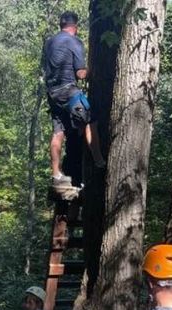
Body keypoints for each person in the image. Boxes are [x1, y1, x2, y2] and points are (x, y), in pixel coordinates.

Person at [41, 11, 105, 186]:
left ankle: (56, 173)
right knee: (90, 120)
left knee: (58, 132)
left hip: (52, 93)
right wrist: (93, 70)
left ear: (61, 25)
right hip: (68, 91)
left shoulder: (49, 43)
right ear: (75, 27)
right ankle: (99, 161)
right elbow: (81, 74)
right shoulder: (74, 41)